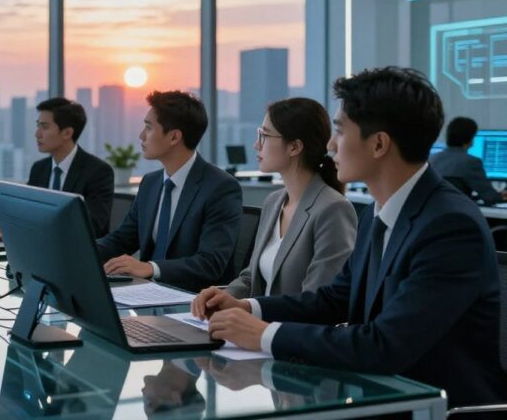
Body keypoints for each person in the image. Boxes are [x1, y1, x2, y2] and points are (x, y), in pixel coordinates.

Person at [201, 67, 507, 409]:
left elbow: (384, 345)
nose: (331, 145)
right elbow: (335, 298)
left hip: (434, 408)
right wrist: (249, 306)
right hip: (380, 398)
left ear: (378, 144)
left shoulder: (448, 225)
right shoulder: (380, 212)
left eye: (340, 131)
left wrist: (264, 335)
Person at [191, 98, 356, 311]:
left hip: (290, 336)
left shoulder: (333, 209)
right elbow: (252, 277)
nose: (256, 144)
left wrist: (249, 309)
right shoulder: (274, 202)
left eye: (264, 135)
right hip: (254, 331)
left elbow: (317, 301)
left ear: (295, 147)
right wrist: (221, 297)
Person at [97, 91, 242, 292]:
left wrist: (150, 268)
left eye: (148, 127)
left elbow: (210, 263)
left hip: (194, 303)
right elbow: (122, 239)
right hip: (147, 296)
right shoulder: (150, 183)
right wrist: (73, 251)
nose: (141, 135)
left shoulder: (220, 187)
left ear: (174, 136)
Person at [0, 97, 114, 238]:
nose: (37, 134)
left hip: (76, 254)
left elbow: (94, 227)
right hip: (39, 250)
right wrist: (4, 228)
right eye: (38, 126)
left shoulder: (98, 172)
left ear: (67, 133)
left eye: (45, 127)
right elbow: (27, 214)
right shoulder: (39, 169)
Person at [430, 116, 507, 205]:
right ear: (470, 139)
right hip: (459, 214)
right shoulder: (471, 162)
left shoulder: (432, 159)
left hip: (434, 214)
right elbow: (490, 198)